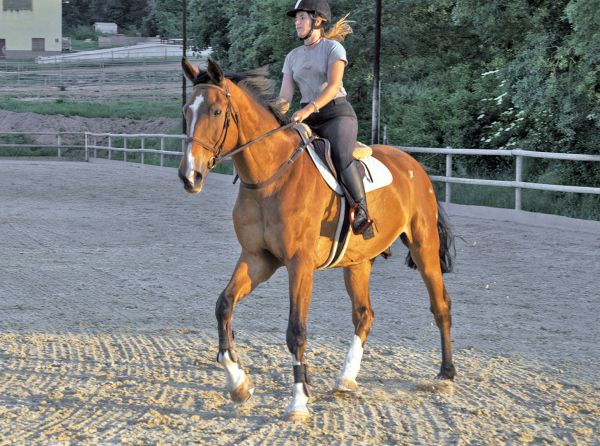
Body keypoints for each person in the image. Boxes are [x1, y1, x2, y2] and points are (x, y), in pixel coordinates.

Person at [276, 0, 373, 235]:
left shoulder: (333, 49)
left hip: (336, 114)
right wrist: (271, 112)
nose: (296, 22)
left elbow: (332, 86)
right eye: (296, 18)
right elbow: (285, 98)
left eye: (301, 17)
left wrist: (308, 109)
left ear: (317, 20)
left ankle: (362, 212)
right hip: (305, 118)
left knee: (340, 155)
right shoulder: (292, 57)